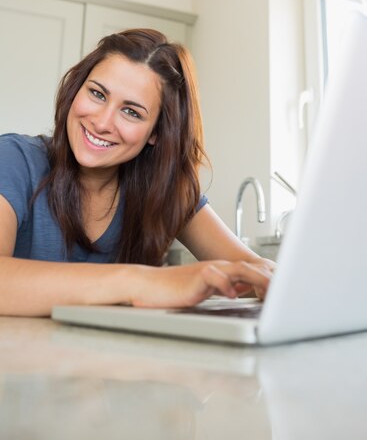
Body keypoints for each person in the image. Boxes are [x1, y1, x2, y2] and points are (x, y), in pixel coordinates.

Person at [0, 28, 272, 316]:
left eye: (131, 112)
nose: (102, 122)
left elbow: (254, 270)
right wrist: (141, 281)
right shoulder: (14, 159)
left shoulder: (165, 191)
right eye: (97, 93)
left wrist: (269, 278)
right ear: (76, 89)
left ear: (156, 133)